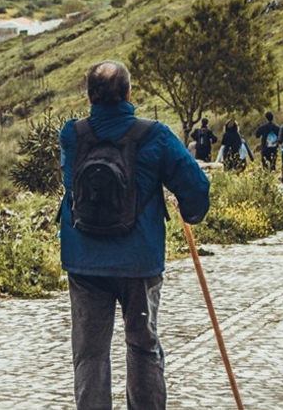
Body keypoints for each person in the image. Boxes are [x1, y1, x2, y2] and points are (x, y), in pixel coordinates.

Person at [59, 61, 210, 410]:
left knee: (89, 353)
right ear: (129, 94)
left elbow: (71, 185)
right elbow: (196, 187)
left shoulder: (72, 134)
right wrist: (191, 213)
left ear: (89, 96)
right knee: (143, 346)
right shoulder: (154, 134)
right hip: (138, 261)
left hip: (84, 260)